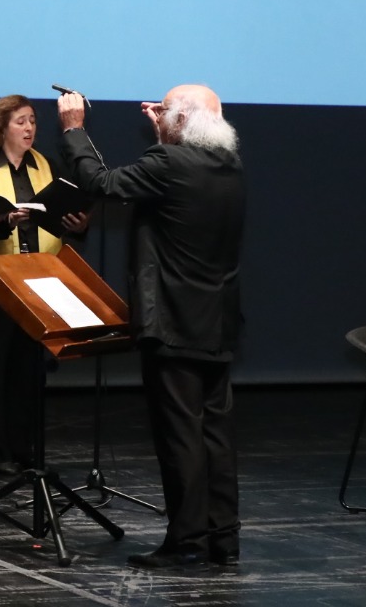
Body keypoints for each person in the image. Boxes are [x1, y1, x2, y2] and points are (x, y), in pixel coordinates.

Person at [57, 86, 245, 571]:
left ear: (181, 121)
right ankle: (223, 539)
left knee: (180, 437)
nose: (152, 113)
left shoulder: (168, 163)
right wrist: (165, 125)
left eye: (161, 109)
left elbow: (101, 183)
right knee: (215, 436)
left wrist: (75, 128)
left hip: (175, 324)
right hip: (216, 322)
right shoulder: (229, 166)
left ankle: (187, 541)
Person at [0, 95, 88, 474]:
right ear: (1, 127)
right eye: (20, 121)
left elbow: (60, 216)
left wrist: (78, 225)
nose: (29, 127)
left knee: (29, 369)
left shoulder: (47, 166)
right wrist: (5, 222)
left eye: (32, 120)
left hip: (40, 279)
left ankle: (23, 446)